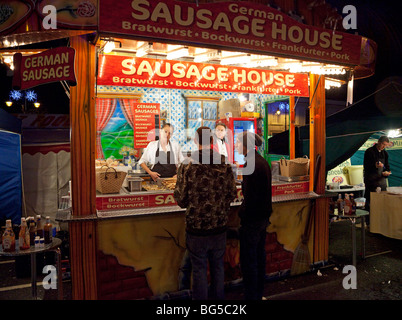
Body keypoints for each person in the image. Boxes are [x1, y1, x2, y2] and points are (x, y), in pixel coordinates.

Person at [174, 127, 237, 300]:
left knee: (199, 270)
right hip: (219, 226)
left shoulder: (187, 164)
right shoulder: (224, 163)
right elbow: (232, 194)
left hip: (197, 228)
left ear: (195, 140)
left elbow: (180, 199)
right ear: (212, 141)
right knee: (218, 268)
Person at [235, 131, 272, 300]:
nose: (235, 145)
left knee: (249, 260)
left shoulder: (250, 163)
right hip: (263, 217)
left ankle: (251, 296)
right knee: (259, 257)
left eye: (237, 142)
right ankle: (258, 292)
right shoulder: (262, 161)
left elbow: (250, 196)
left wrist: (242, 213)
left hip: (252, 219)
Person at [363, 135, 392, 212]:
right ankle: (369, 221)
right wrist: (374, 166)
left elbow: (387, 166)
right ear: (378, 142)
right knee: (370, 202)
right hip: (371, 181)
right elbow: (366, 167)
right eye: (383, 144)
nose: (384, 147)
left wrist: (387, 172)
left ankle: (380, 221)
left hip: (381, 181)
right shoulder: (369, 151)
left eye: (386, 145)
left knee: (382, 202)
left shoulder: (385, 153)